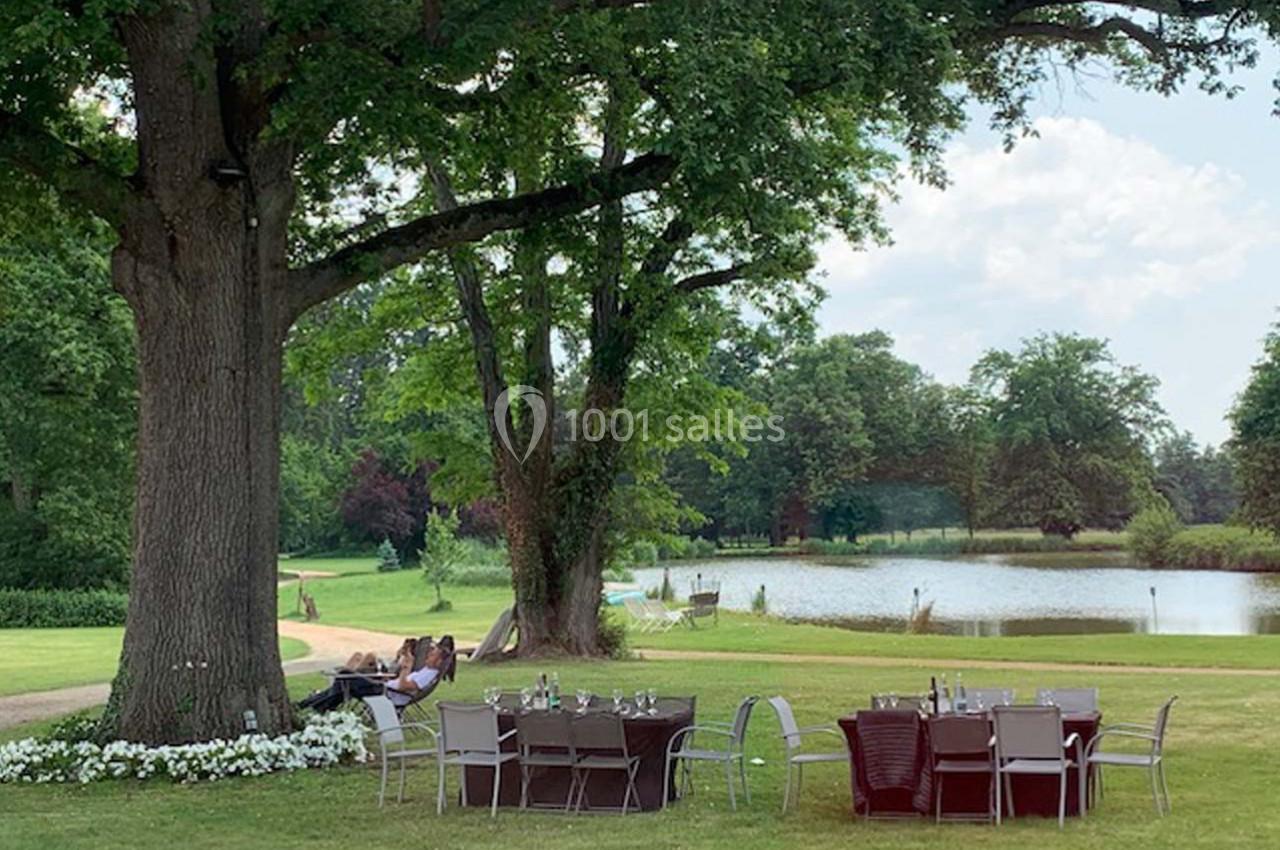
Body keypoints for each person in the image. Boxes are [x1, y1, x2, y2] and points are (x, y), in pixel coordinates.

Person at [299, 639, 441, 713]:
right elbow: (401, 682)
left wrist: (407, 667)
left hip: (384, 694)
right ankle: (316, 704)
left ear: (439, 661)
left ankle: (315, 704)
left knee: (346, 675)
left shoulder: (428, 674)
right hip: (384, 688)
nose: (428, 655)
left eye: (432, 654)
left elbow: (404, 687)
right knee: (345, 683)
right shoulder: (425, 671)